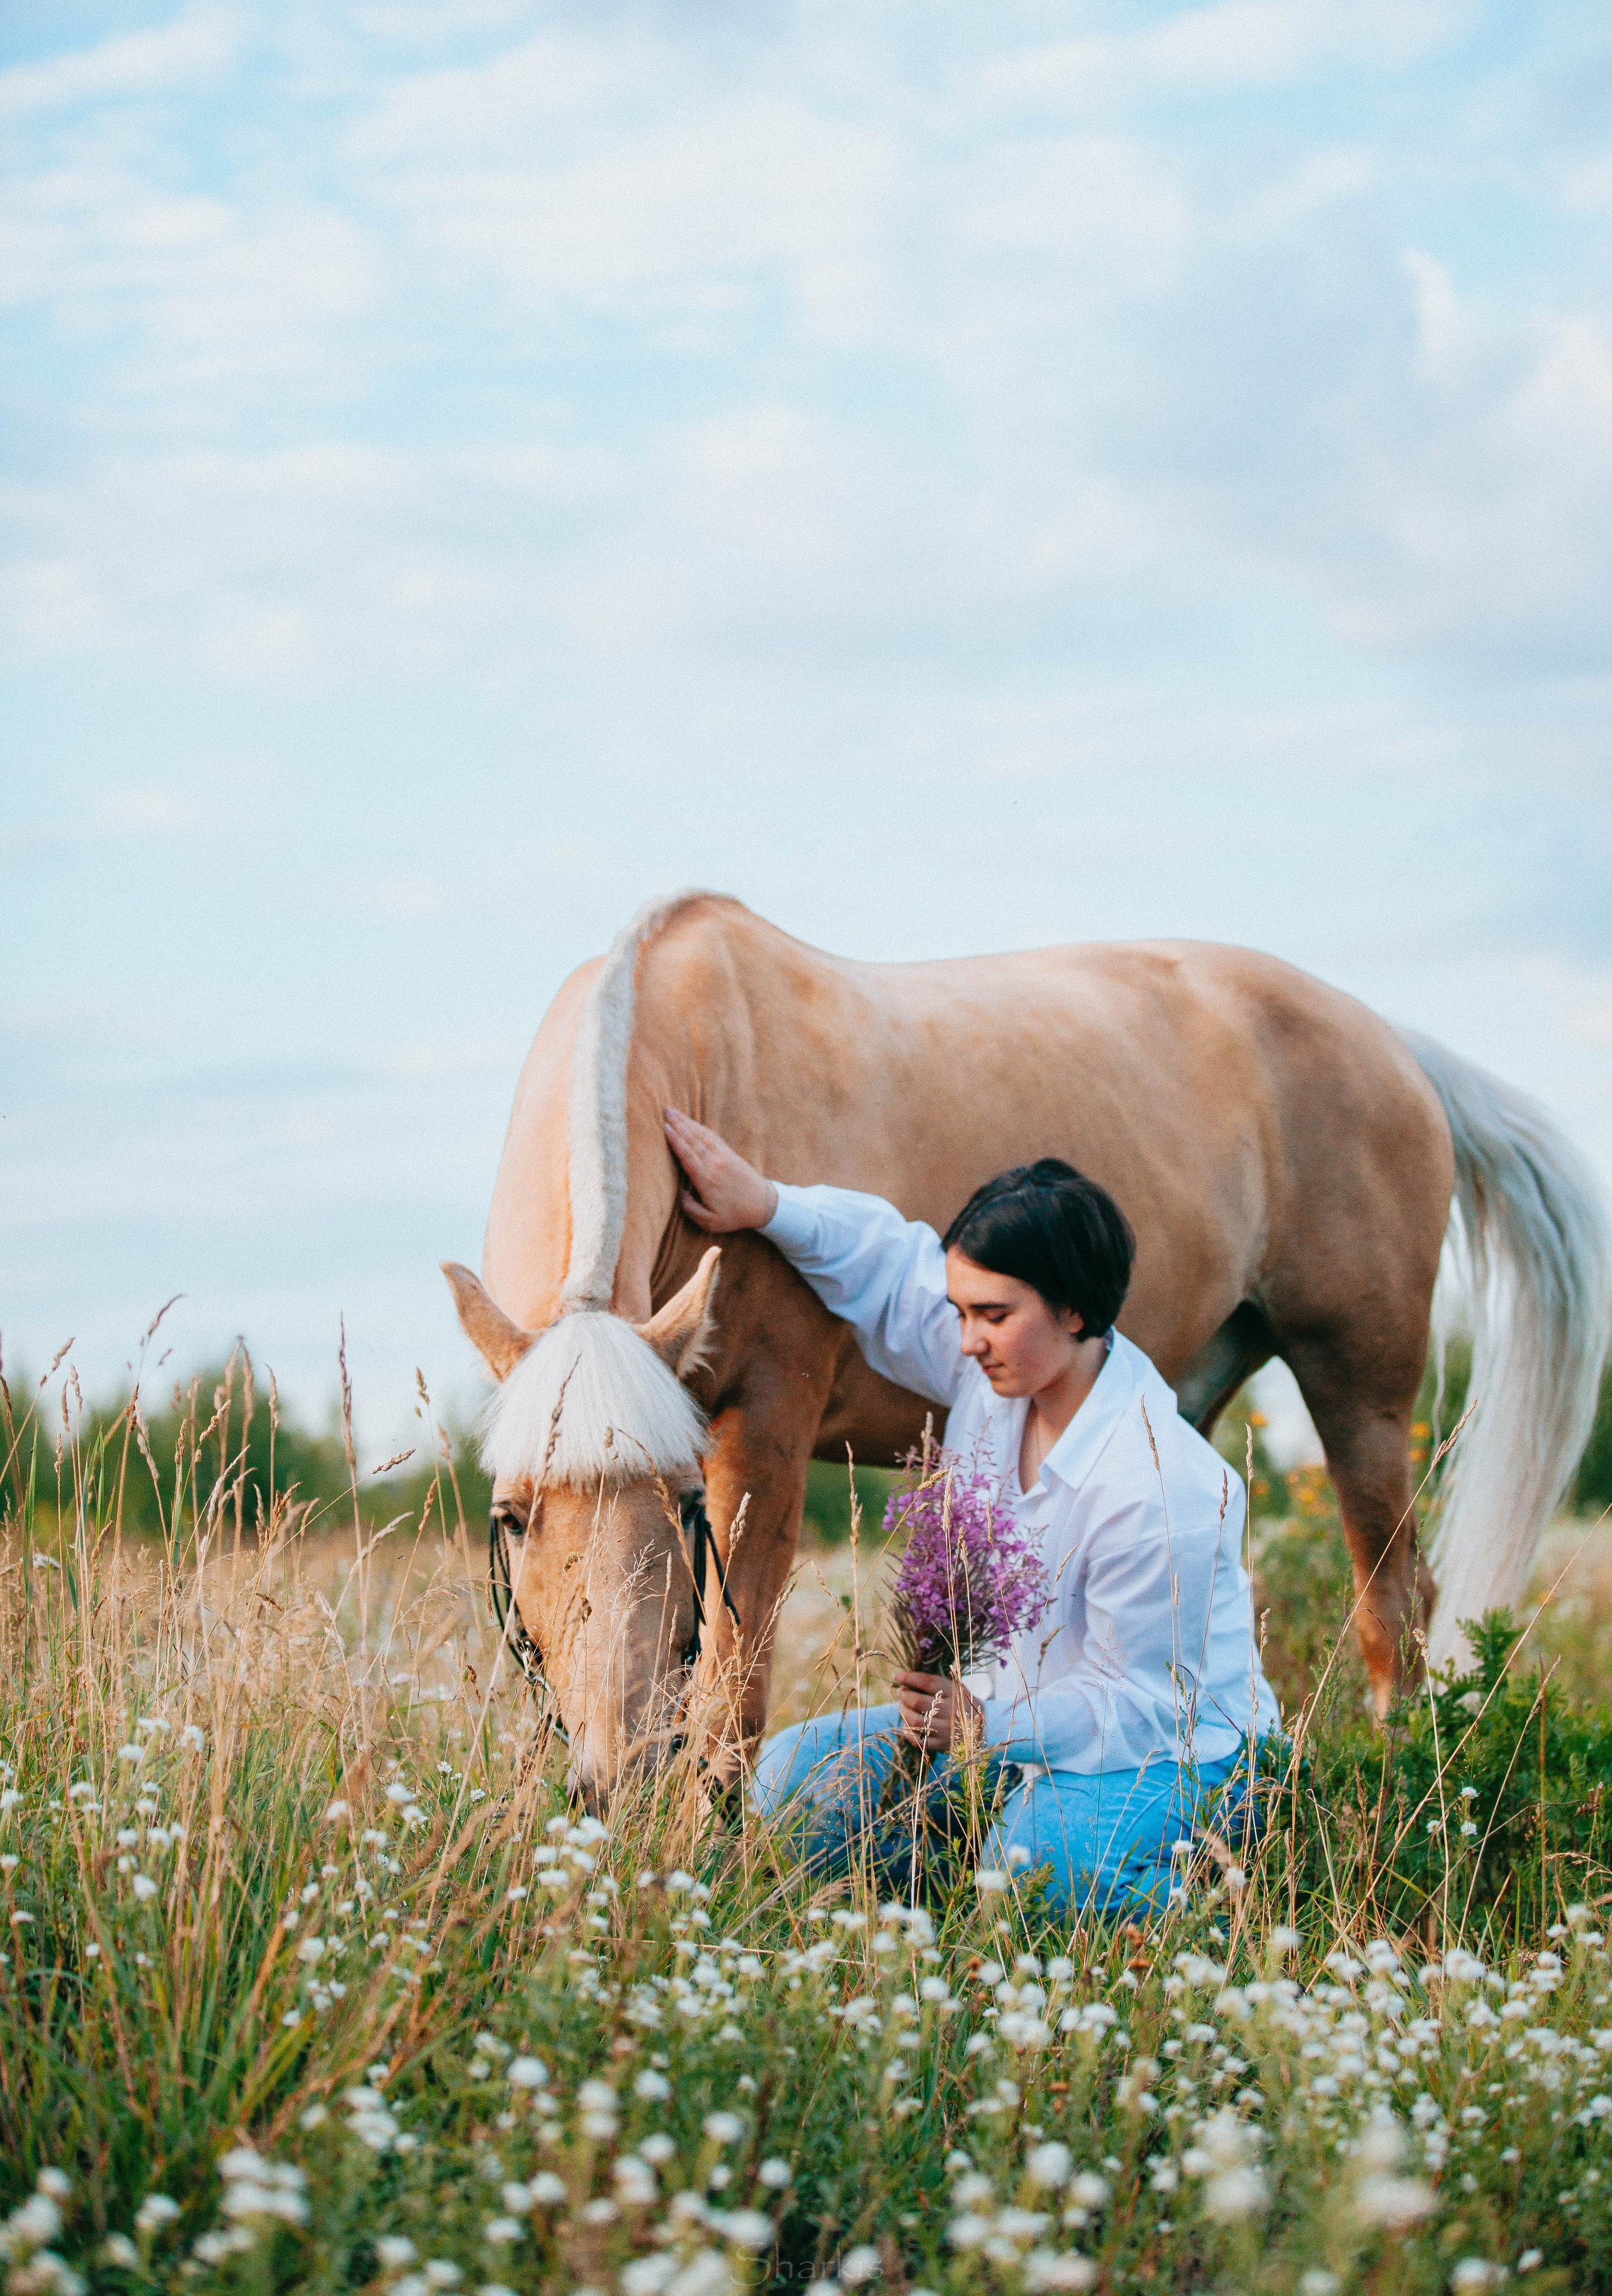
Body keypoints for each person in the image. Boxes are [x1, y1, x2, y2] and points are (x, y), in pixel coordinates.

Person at [663, 1106, 1280, 1916]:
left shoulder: (1162, 1487)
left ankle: (1227, 1881)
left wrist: (990, 1723)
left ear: (1074, 1310)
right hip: (998, 1732)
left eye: (992, 1316)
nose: (964, 1340)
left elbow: (1136, 1706)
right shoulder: (1000, 1379)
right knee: (792, 1780)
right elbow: (889, 1266)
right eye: (960, 1311)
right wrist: (767, 1204)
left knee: (1026, 1870)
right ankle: (950, 1879)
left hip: (1170, 1755)